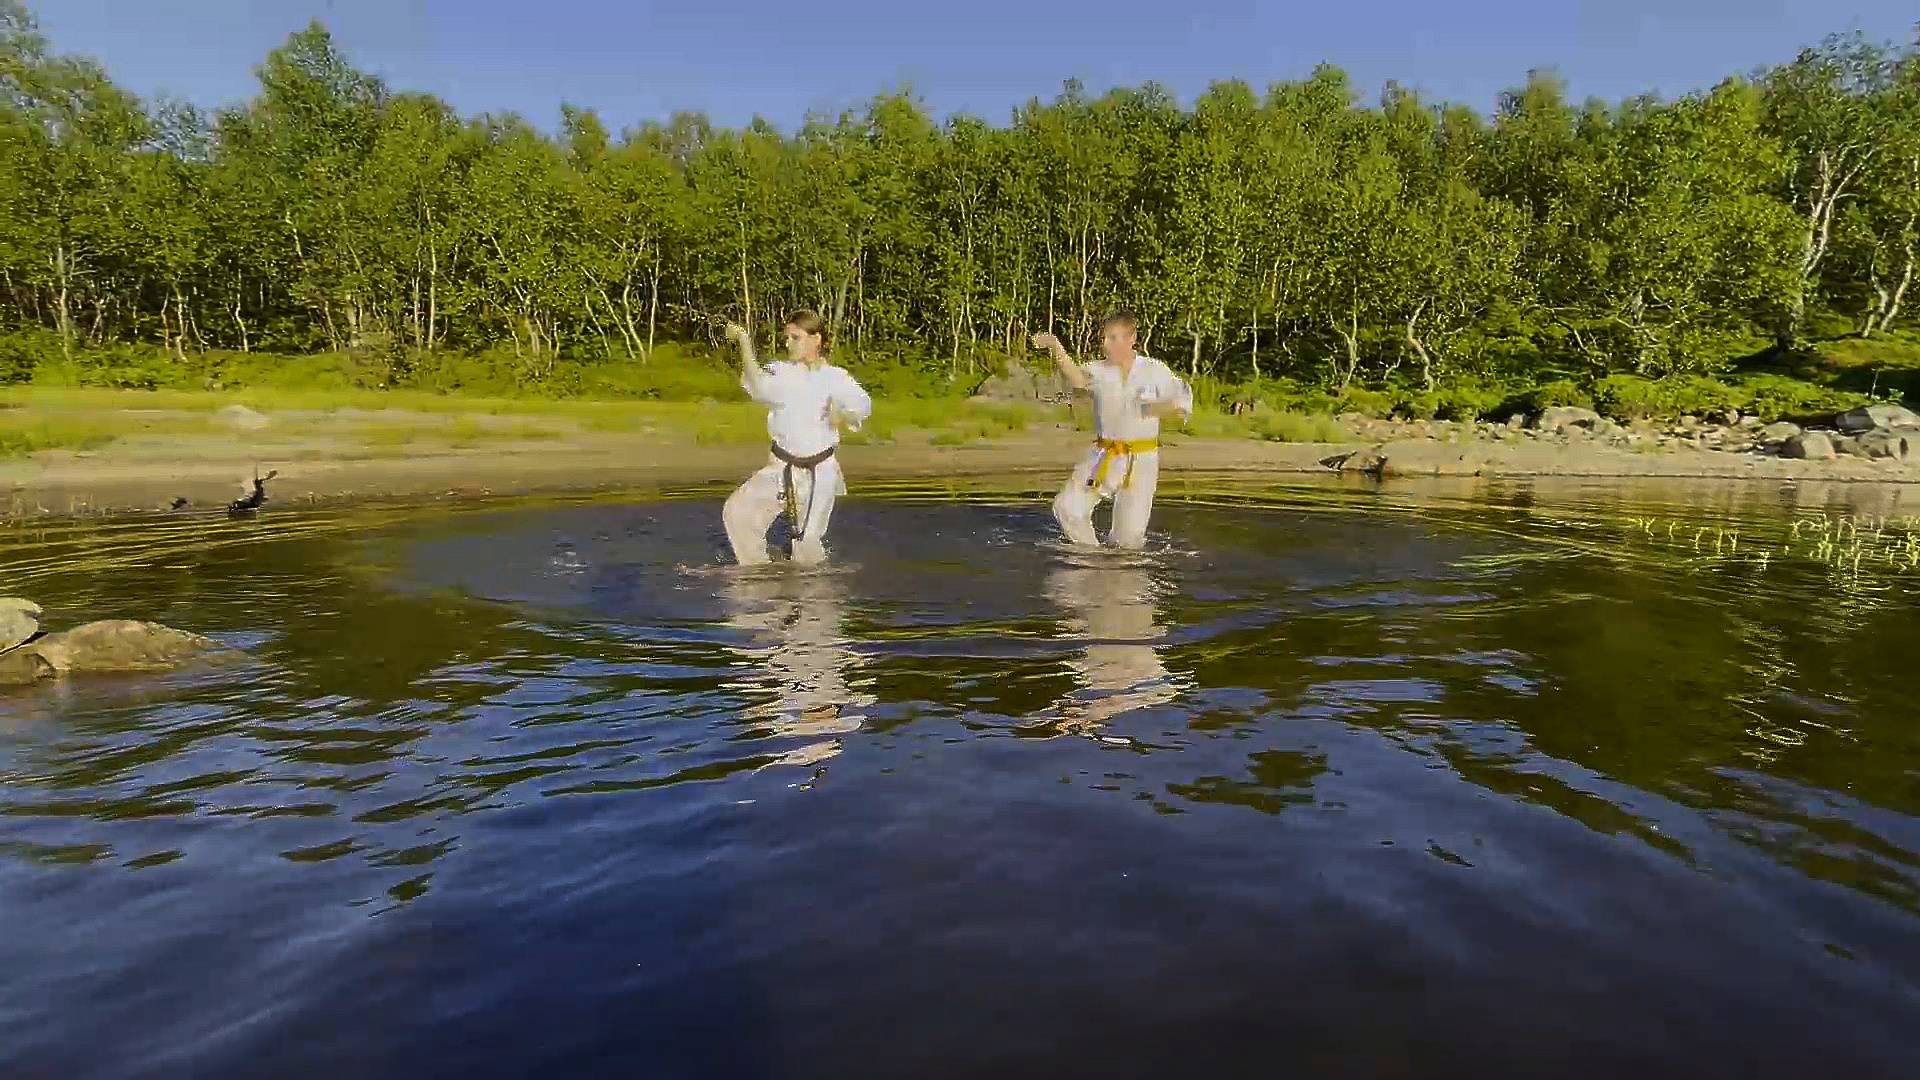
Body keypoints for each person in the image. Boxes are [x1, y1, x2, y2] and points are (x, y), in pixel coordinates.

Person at [1031, 312, 1192, 549]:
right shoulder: (1098, 371)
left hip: (1143, 460)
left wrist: (1156, 408)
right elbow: (1077, 379)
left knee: (1129, 539)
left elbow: (1182, 404)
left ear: (1132, 339)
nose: (1106, 344)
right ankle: (1092, 555)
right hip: (1104, 455)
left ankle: (1121, 576)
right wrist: (1055, 346)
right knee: (1068, 508)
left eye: (1113, 338)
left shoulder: (1154, 371)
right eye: (1104, 338)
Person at [722, 310, 872, 565]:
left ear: (817, 340)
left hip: (819, 473)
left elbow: (862, 405)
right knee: (737, 514)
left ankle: (816, 597)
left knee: (807, 546)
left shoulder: (836, 378)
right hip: (780, 467)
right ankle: (760, 573)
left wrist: (843, 412)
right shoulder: (780, 372)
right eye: (787, 338)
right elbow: (757, 385)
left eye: (796, 337)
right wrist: (745, 343)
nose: (788, 343)